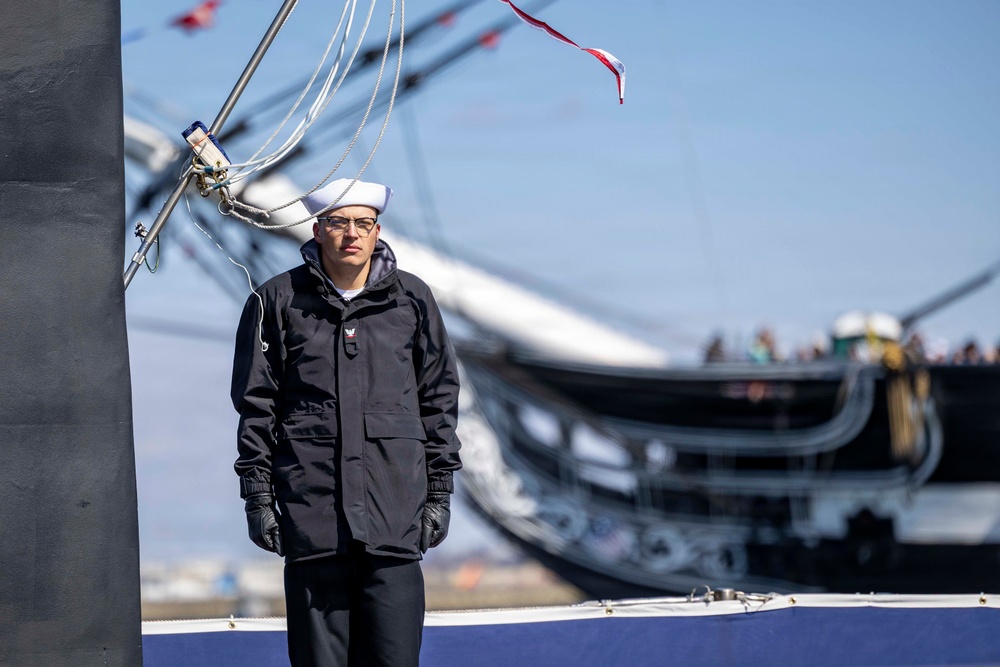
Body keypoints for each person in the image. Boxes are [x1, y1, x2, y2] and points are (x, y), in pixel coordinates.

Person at [231, 177, 462, 666]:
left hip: (395, 519)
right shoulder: (276, 301)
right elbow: (256, 407)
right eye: (339, 223)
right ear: (318, 229)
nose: (351, 234)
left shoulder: (412, 301)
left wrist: (439, 493)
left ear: (377, 232)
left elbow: (439, 400)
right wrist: (257, 499)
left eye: (363, 223)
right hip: (312, 518)